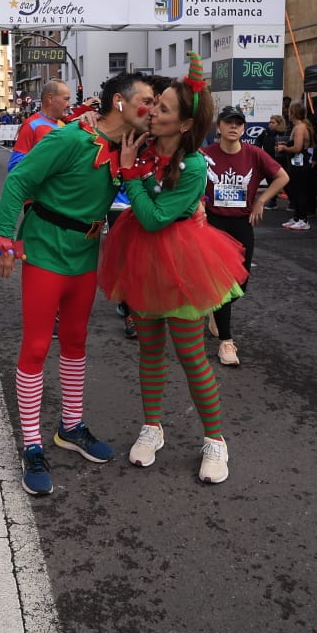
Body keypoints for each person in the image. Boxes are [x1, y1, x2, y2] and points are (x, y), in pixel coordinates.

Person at [0, 71, 158, 495]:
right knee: (35, 346)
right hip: (46, 251)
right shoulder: (69, 138)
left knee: (77, 340)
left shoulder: (129, 148)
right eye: (148, 101)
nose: (152, 109)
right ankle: (30, 444)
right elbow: (19, 180)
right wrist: (4, 238)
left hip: (85, 255)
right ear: (119, 102)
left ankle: (71, 426)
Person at [100, 54, 246, 484]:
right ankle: (152, 428)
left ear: (184, 124)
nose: (151, 111)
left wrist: (129, 175)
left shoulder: (195, 164)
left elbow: (153, 217)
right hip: (142, 260)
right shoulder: (142, 144)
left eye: (161, 107)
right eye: (154, 103)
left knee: (189, 354)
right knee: (148, 349)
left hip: (181, 259)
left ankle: (215, 440)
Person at [203, 104, 288, 366]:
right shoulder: (205, 154)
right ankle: (226, 343)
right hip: (214, 223)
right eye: (228, 122)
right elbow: (190, 180)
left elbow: (282, 177)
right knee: (223, 284)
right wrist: (197, 206)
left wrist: (262, 200)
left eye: (238, 123)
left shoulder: (254, 154)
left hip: (241, 223)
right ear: (218, 127)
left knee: (239, 286)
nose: (233, 127)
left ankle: (216, 313)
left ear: (244, 128)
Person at [7, 80, 72, 173]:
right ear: (50, 98)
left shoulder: (63, 124)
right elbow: (14, 167)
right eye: (66, 99)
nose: (69, 104)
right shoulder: (30, 125)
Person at [275, 101, 316, 229]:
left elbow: (297, 148)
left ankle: (303, 219)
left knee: (299, 191)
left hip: (300, 163)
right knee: (294, 190)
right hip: (295, 162)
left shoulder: (300, 127)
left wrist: (284, 148)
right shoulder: (298, 126)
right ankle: (297, 217)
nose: (288, 114)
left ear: (293, 113)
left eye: (289, 112)